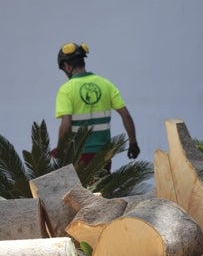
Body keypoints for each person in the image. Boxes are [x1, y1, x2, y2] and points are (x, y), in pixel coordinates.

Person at [53, 42, 140, 173]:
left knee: (80, 192)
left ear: (67, 66)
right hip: (103, 153)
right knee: (101, 189)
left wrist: (60, 150)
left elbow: (66, 124)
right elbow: (126, 115)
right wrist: (133, 143)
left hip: (78, 154)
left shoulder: (66, 90)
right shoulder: (106, 84)